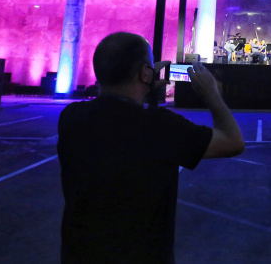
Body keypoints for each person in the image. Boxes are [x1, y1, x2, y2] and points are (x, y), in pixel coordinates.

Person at [58, 32, 244, 263]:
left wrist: (142, 79)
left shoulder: (70, 118)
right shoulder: (161, 126)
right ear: (146, 72)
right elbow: (233, 141)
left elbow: (117, 111)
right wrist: (211, 92)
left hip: (78, 254)